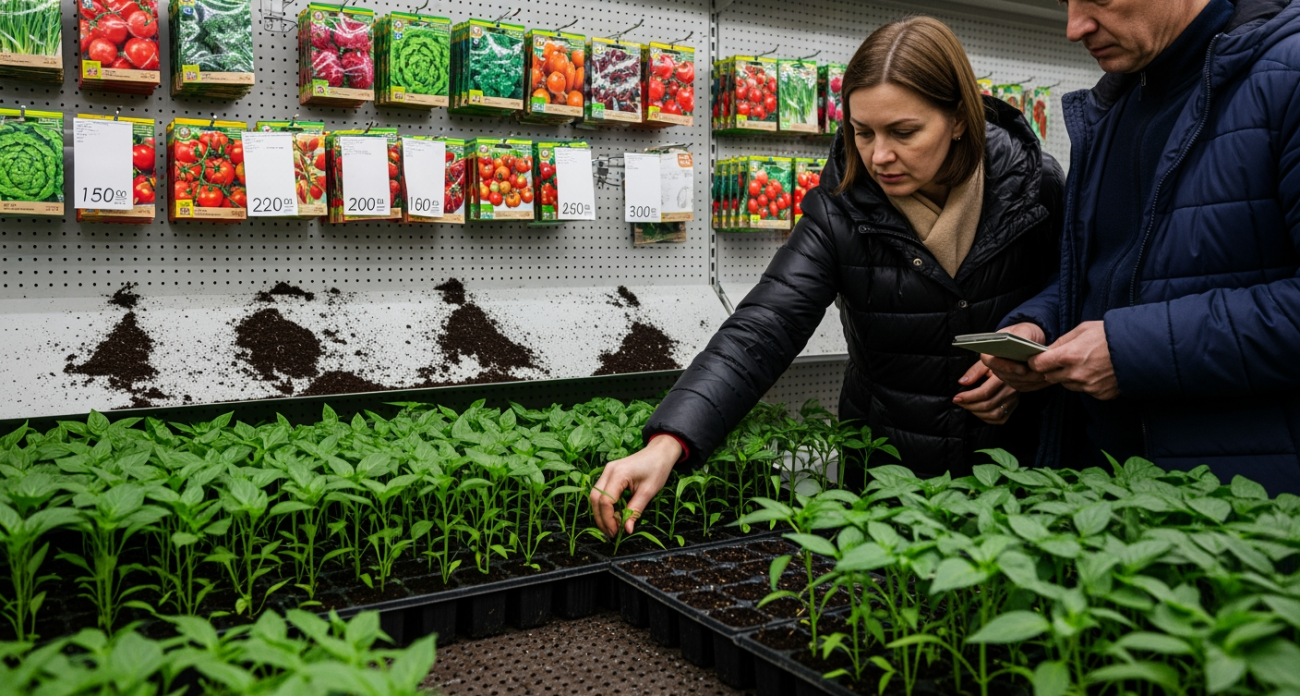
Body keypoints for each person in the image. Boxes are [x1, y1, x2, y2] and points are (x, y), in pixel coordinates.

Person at [591, 17, 1065, 536]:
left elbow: (1079, 293)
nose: (879, 156)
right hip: (888, 478)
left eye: (904, 132)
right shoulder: (840, 209)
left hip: (1020, 479)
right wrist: (671, 440)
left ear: (957, 118)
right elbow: (766, 324)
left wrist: (1030, 361)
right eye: (862, 133)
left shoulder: (1034, 189)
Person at [983, 0, 1300, 496]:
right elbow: (1108, 270)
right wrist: (1042, 324)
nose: (1074, 27)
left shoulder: (1288, 75)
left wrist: (1131, 350)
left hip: (1242, 509)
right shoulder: (1118, 105)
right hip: (1107, 492)